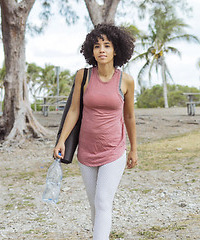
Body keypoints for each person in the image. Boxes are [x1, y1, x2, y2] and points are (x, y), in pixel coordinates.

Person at [53, 23, 138, 239]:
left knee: (102, 201)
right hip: (86, 152)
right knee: (96, 205)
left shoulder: (126, 80)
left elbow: (129, 116)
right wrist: (61, 140)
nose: (102, 50)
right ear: (91, 50)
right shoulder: (83, 76)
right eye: (97, 46)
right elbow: (73, 110)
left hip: (114, 151)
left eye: (107, 46)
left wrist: (134, 149)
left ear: (116, 50)